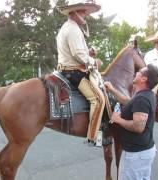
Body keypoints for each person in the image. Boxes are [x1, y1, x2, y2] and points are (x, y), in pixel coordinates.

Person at [56, 0, 105, 145]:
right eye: (83, 11)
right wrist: (94, 62)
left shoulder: (68, 27)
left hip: (67, 69)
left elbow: (75, 52)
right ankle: (93, 137)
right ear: (74, 12)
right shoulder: (73, 29)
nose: (86, 14)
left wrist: (88, 53)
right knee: (99, 99)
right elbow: (78, 54)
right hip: (74, 72)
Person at [104, 64, 158, 180]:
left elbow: (138, 127)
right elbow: (129, 102)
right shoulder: (145, 95)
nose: (136, 73)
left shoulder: (142, 99)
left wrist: (118, 119)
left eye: (140, 72)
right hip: (143, 152)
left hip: (136, 154)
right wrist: (112, 90)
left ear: (144, 79)